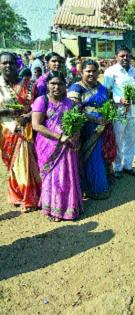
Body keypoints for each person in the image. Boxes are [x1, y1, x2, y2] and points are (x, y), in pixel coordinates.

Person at [31, 71, 83, 221]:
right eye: (53, 83)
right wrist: (59, 137)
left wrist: (75, 137)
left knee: (67, 176)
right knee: (53, 178)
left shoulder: (70, 103)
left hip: (68, 147)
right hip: (48, 146)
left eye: (60, 84)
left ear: (65, 85)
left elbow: (77, 124)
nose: (56, 87)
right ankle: (53, 209)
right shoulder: (42, 101)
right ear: (47, 85)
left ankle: (69, 207)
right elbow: (36, 125)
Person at [0, 52, 41, 212]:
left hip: (28, 129)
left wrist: (29, 116)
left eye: (11, 63)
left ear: (18, 65)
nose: (8, 66)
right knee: (12, 165)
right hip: (7, 131)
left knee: (27, 163)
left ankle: (29, 197)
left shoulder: (30, 84)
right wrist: (7, 111)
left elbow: (39, 106)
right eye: (4, 63)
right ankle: (17, 193)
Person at [68, 59, 114, 200]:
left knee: (101, 155)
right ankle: (93, 188)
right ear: (81, 72)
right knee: (91, 157)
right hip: (86, 128)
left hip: (103, 126)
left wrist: (108, 115)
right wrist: (95, 120)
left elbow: (109, 102)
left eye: (94, 71)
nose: (91, 74)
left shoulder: (101, 87)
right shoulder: (76, 88)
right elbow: (74, 110)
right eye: (88, 71)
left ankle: (102, 182)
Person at [104, 46, 135, 178]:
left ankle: (128, 165)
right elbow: (107, 92)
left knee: (131, 139)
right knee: (118, 140)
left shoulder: (133, 71)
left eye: (127, 56)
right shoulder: (110, 72)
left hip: (132, 110)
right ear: (116, 57)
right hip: (119, 111)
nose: (125, 58)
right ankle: (117, 167)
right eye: (122, 56)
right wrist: (119, 99)